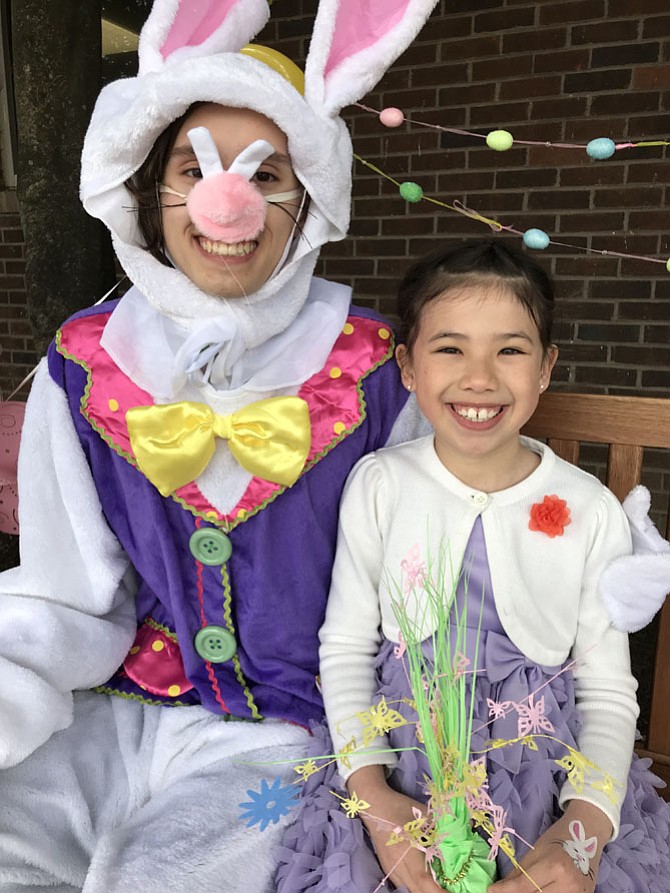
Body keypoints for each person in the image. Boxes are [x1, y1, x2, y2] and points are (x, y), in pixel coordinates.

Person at [0, 1, 442, 891]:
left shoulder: (377, 371)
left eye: (265, 172)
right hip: (114, 708)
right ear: (151, 191)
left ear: (307, 198)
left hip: (295, 733)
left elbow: (419, 596)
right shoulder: (87, 364)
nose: (224, 197)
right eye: (189, 167)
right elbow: (62, 593)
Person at [276, 240, 670, 893]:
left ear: (545, 367)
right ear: (407, 365)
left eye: (510, 350)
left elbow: (607, 689)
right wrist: (375, 803)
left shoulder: (588, 507)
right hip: (398, 761)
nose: (480, 376)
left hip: (543, 771)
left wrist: (580, 834)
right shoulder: (379, 483)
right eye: (450, 347)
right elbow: (345, 647)